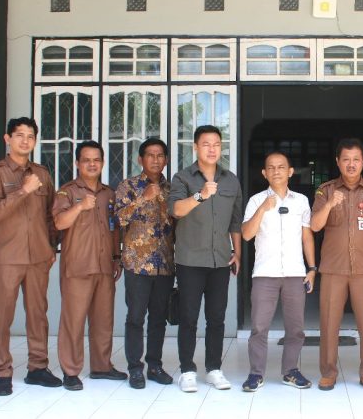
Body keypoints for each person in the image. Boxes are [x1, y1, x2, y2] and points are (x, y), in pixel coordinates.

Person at [0, 117, 61, 396]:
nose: (25, 141)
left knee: (38, 315)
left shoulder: (42, 173)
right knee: (2, 317)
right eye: (19, 135)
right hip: (8, 257)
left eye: (30, 136)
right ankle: (3, 372)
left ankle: (37, 368)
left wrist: (52, 247)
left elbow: (51, 214)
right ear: (8, 139)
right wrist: (24, 190)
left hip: (39, 256)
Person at [311, 138, 363, 392]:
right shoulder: (324, 191)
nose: (351, 164)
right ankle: (328, 373)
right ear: (337, 162)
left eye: (356, 159)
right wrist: (330, 204)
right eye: (346, 159)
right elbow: (315, 226)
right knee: (329, 323)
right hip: (333, 269)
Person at [169, 125, 243, 393]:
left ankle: (214, 369)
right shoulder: (182, 177)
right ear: (195, 147)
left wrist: (237, 253)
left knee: (216, 318)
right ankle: (187, 370)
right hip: (190, 259)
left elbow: (235, 221)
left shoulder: (231, 180)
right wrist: (201, 195)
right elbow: (176, 210)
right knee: (188, 318)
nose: (212, 149)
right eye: (206, 144)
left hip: (220, 260)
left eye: (216, 144)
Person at [53, 140, 127, 391]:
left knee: (103, 321)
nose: (92, 164)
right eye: (86, 160)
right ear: (77, 163)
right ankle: (71, 370)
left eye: (96, 160)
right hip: (78, 267)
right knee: (73, 321)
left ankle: (101, 366)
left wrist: (116, 258)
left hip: (105, 266)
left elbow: (115, 229)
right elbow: (59, 223)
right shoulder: (67, 192)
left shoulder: (109, 194)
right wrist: (80, 206)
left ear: (103, 163)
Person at [240, 151, 317, 392]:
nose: (276, 171)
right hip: (265, 273)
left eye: (281, 167)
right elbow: (246, 234)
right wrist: (263, 208)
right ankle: (256, 374)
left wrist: (312, 268)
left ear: (290, 171)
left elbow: (307, 236)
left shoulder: (301, 201)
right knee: (259, 327)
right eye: (271, 167)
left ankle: (290, 371)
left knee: (296, 328)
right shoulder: (256, 200)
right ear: (264, 173)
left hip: (295, 272)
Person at [115, 138, 175, 389]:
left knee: (159, 319)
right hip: (137, 265)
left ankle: (154, 366)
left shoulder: (172, 189)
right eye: (150, 155)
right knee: (136, 317)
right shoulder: (128, 186)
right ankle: (135, 368)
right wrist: (143, 198)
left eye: (160, 155)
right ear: (140, 159)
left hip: (165, 264)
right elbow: (118, 219)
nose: (155, 160)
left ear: (166, 160)